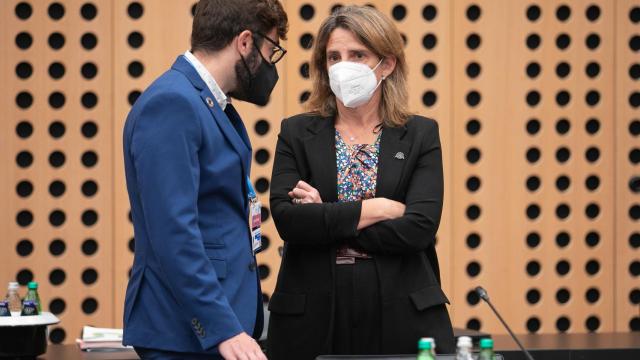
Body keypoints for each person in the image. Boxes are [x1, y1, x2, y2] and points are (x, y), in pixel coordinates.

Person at [267, 5, 455, 359]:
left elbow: (418, 228)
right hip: (313, 317)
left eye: (358, 54)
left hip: (402, 312)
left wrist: (325, 215)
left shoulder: (419, 134)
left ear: (387, 64)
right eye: (334, 56)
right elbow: (289, 221)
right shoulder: (296, 132)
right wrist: (377, 209)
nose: (344, 66)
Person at [121, 1, 288, 359]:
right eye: (271, 49)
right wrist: (222, 327)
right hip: (184, 334)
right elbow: (174, 231)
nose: (271, 65)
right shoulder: (172, 102)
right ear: (245, 42)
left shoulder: (210, 102)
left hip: (212, 329)